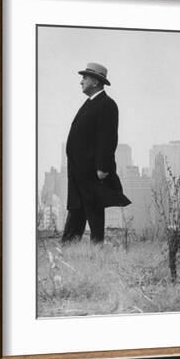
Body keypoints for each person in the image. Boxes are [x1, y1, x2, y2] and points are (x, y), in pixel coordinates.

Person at [62, 62, 131, 245]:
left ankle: (96, 247)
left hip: (92, 171)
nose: (81, 81)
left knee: (93, 210)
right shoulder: (90, 103)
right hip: (78, 171)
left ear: (95, 81)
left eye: (84, 77)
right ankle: (69, 245)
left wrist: (102, 167)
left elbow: (107, 139)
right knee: (77, 209)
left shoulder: (107, 105)